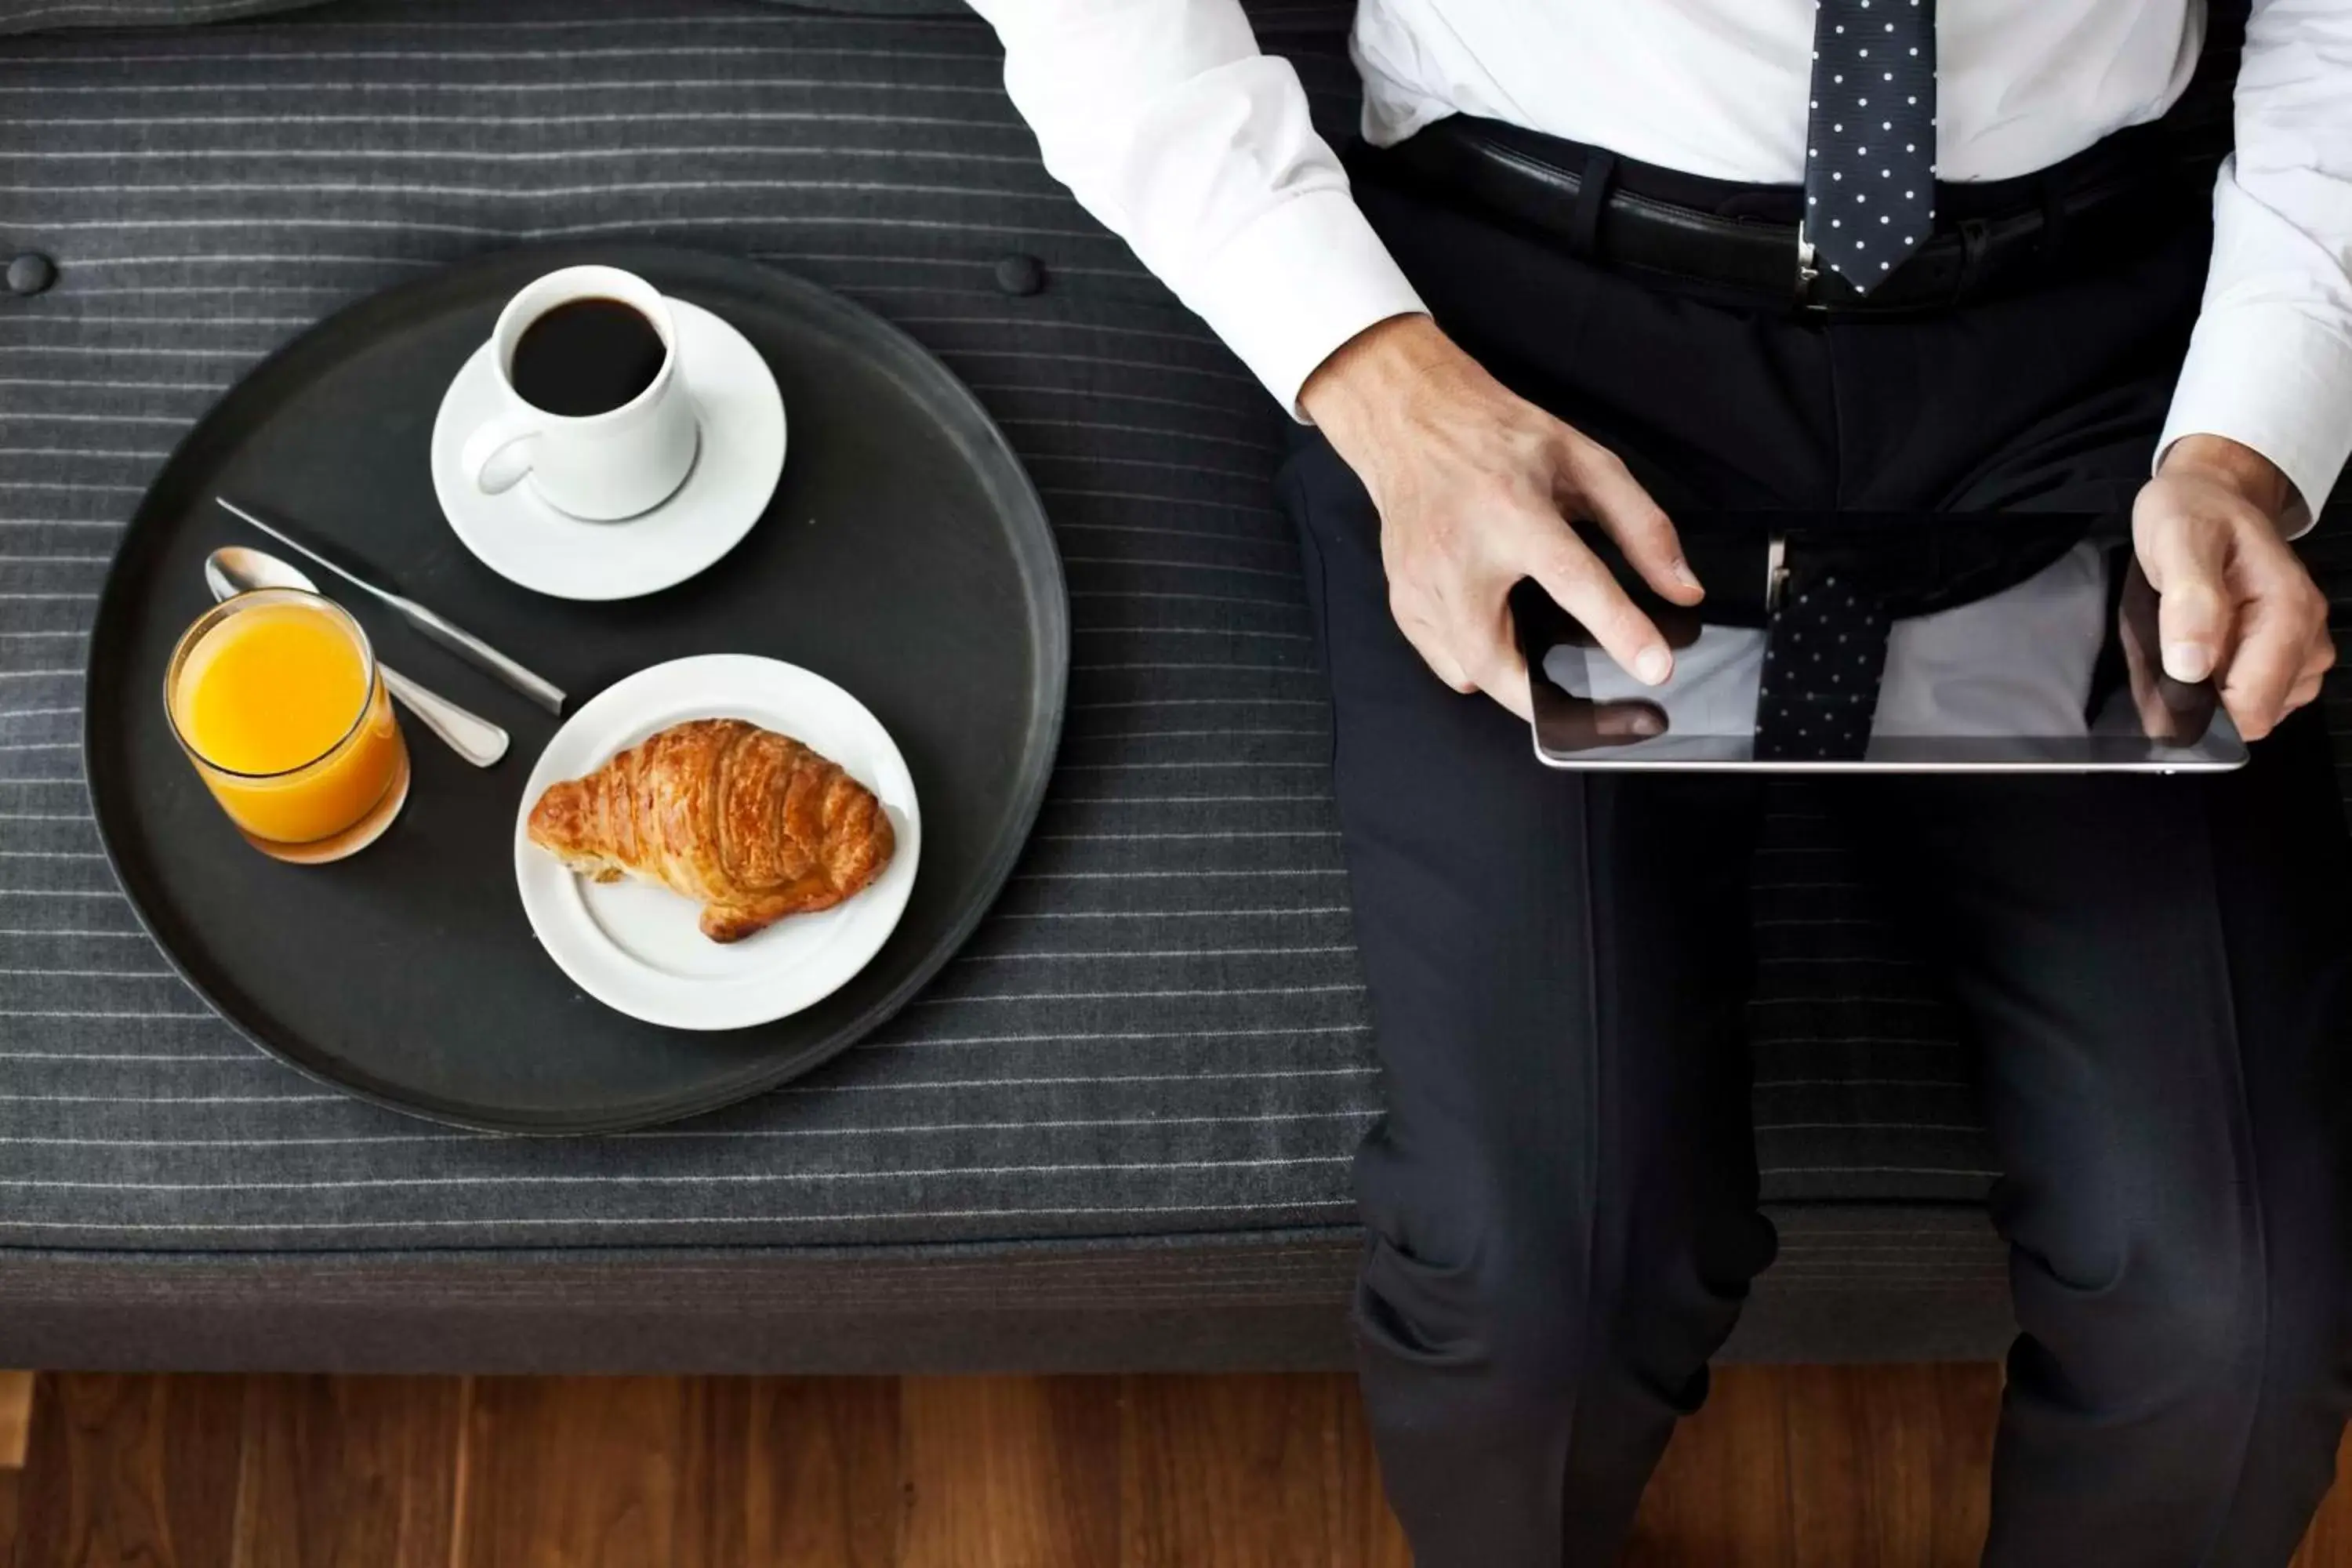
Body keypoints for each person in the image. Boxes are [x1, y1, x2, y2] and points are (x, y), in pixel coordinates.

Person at [966, 0, 2352, 1560]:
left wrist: (2246, 445)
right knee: (1544, 1276)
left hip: (2099, 357)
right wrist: (1380, 382)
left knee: (2243, 1318)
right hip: (1522, 324)